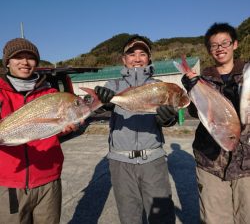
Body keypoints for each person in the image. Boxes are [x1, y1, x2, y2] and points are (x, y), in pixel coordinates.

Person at [94, 35, 176, 224]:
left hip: (153, 159)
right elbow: (94, 108)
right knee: (129, 216)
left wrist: (168, 119)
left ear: (149, 58)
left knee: (161, 216)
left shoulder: (159, 87)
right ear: (124, 60)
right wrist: (103, 103)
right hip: (120, 162)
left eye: (142, 54)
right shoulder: (113, 86)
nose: (137, 59)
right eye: (131, 54)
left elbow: (171, 114)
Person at [0, 38, 80, 223]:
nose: (25, 62)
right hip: (8, 183)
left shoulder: (51, 94)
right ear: (7, 62)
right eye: (18, 57)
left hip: (48, 180)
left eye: (30, 57)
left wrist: (66, 128)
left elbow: (53, 128)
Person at [181, 23, 250, 223]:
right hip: (211, 163)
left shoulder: (247, 75)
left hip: (247, 165)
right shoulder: (203, 79)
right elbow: (195, 112)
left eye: (224, 43)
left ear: (235, 44)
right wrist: (193, 90)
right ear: (209, 50)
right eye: (214, 45)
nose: (220, 48)